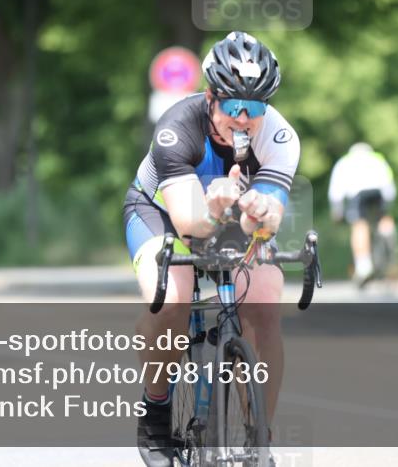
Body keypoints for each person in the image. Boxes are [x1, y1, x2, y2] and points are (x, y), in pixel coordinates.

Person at [124, 31, 299, 467]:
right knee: (173, 298)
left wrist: (259, 215)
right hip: (161, 213)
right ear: (210, 97)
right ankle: (156, 409)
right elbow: (191, 225)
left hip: (230, 218)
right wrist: (215, 208)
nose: (243, 118)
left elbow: (267, 223)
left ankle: (259, 436)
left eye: (255, 108)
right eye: (233, 105)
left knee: (264, 297)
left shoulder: (279, 137)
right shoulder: (177, 127)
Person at [328, 142, 398, 287]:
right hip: (379, 193)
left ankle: (363, 267)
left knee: (359, 226)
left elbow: (335, 191)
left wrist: (337, 211)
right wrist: (388, 208)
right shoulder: (378, 159)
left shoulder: (344, 161)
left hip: (358, 194)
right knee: (383, 219)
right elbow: (389, 186)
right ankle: (389, 240)